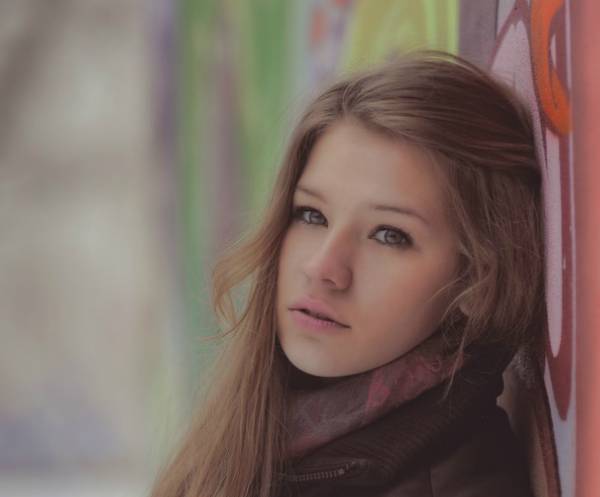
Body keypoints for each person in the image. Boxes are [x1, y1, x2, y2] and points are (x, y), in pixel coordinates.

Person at [150, 50, 547, 497]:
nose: (323, 268)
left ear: (476, 280)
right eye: (312, 215)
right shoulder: (265, 422)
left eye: (389, 235)